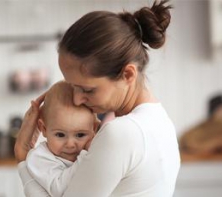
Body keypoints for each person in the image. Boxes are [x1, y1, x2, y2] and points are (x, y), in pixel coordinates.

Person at [15, 0, 181, 196]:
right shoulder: (160, 121)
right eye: (72, 86)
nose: (77, 100)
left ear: (128, 75)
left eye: (87, 89)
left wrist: (23, 158)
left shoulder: (121, 133)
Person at [22, 81, 98, 197]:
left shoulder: (99, 149)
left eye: (80, 135)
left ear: (94, 129)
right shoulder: (39, 157)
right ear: (44, 129)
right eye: (60, 135)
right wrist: (85, 155)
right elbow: (60, 190)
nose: (70, 144)